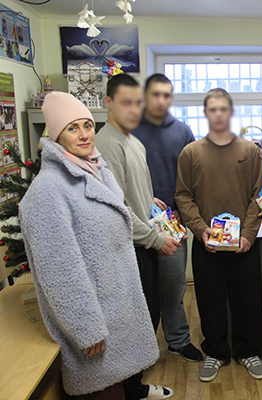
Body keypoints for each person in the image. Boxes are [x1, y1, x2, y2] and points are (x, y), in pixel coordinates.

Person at [19, 92, 171, 400]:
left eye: (87, 125)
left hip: (114, 309)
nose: (84, 134)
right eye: (72, 128)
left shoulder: (94, 170)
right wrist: (86, 328)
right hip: (93, 324)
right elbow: (59, 271)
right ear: (56, 135)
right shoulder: (47, 191)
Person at [175, 88, 262, 382]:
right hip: (208, 246)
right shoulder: (191, 153)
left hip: (244, 245)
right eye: (212, 109)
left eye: (223, 109)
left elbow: (258, 195)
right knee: (210, 300)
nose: (218, 114)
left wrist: (249, 233)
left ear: (231, 112)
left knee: (248, 300)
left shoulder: (250, 152)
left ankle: (249, 351)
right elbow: (183, 197)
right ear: (206, 113)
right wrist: (200, 230)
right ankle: (215, 352)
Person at [95, 74, 182, 336]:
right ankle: (138, 366)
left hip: (145, 242)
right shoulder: (107, 144)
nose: (133, 109)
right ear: (109, 102)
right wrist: (156, 240)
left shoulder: (132, 140)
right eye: (126, 102)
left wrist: (147, 198)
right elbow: (117, 208)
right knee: (138, 320)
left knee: (151, 311)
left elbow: (129, 187)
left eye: (137, 103)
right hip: (130, 246)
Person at [131, 73, 202, 363]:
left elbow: (194, 175)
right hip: (137, 227)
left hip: (173, 225)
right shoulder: (129, 129)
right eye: (155, 94)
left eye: (166, 94)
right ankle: (140, 350)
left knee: (174, 289)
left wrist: (188, 211)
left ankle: (178, 340)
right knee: (141, 293)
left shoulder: (183, 132)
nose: (161, 100)